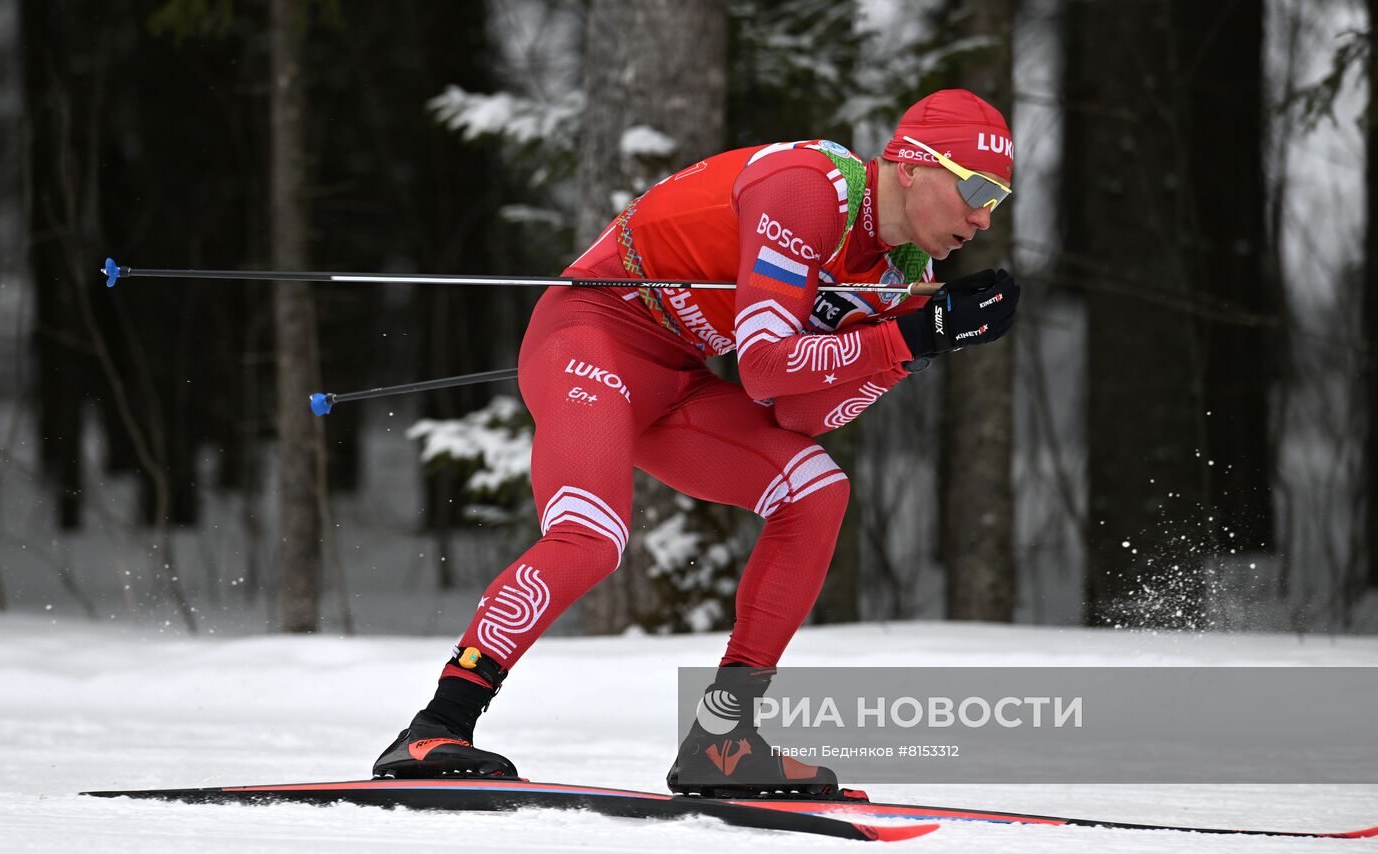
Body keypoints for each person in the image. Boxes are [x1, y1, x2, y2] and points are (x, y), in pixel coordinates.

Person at [373, 88, 1020, 797]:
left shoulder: (903, 280)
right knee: (592, 535)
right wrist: (910, 335)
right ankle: (437, 724)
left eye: (1000, 197)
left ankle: (724, 737)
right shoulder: (812, 188)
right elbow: (765, 365)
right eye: (977, 188)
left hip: (675, 377)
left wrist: (913, 347)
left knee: (817, 490)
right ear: (911, 166)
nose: (985, 216)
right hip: (590, 332)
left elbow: (803, 416)